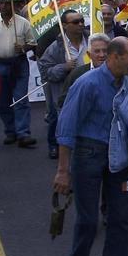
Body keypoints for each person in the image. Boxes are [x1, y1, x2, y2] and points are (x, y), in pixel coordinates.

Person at [53, 37, 128, 256]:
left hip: (120, 158)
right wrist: (62, 170)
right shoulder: (87, 84)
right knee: (88, 220)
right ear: (114, 57)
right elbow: (67, 128)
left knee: (120, 219)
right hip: (89, 154)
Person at [0, 1, 37, 148]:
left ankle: (23, 133)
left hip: (19, 63)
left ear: (13, 6)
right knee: (3, 101)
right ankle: (10, 131)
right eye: (1, 4)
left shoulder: (23, 23)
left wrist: (23, 47)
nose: (3, 7)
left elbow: (32, 42)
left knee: (21, 99)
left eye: (7, 4)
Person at [38, 10, 90, 160]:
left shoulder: (92, 39)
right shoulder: (55, 48)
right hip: (66, 92)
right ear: (65, 26)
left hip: (90, 89)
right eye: (75, 22)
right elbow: (45, 72)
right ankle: (56, 147)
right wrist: (64, 67)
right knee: (59, 119)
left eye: (81, 20)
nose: (80, 24)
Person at [58, 34, 110, 108]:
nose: (102, 55)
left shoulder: (118, 73)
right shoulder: (77, 74)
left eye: (105, 51)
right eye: (97, 51)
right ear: (89, 54)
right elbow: (62, 102)